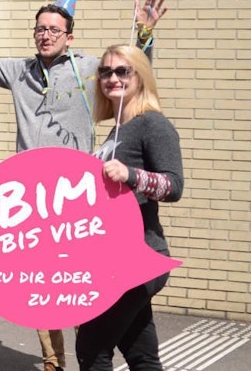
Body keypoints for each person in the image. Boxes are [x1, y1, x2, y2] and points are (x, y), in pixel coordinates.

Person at [0, 0, 167, 371]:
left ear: (69, 37)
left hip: (78, 198)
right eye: (40, 29)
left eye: (53, 30)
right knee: (41, 286)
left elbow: (130, 77)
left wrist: (143, 35)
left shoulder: (90, 68)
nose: (45, 35)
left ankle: (91, 352)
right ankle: (53, 363)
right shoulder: (19, 71)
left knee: (80, 283)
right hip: (32, 201)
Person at [77, 44, 183, 370]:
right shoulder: (120, 128)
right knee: (141, 353)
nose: (112, 78)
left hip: (138, 259)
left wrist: (131, 175)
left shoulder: (152, 124)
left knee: (92, 347)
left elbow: (173, 186)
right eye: (105, 71)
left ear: (139, 75)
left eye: (123, 71)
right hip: (114, 258)